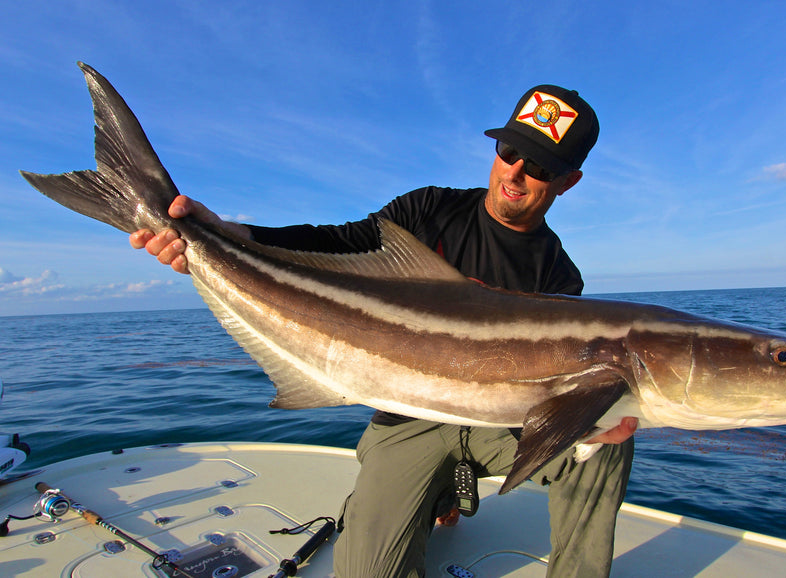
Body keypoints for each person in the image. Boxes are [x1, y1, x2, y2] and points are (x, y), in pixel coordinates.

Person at [132, 85, 637, 577]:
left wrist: (590, 424)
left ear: (569, 181)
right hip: (405, 422)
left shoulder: (560, 277)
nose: (517, 173)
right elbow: (337, 244)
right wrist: (221, 236)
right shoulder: (428, 210)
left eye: (542, 166)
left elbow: (551, 400)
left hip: (494, 427)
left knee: (607, 435)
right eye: (510, 151)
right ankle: (430, 493)